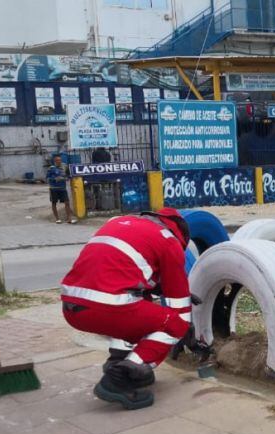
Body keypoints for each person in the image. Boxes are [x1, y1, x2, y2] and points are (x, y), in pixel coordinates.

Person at [60, 208, 192, 409]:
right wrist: (184, 327)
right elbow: (180, 309)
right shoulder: (169, 241)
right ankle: (119, 379)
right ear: (181, 234)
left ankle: (119, 361)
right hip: (106, 308)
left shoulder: (118, 223)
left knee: (139, 308)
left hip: (72, 307)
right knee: (176, 322)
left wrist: (160, 288)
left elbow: (120, 272)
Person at [47, 155, 76, 224]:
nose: (59, 161)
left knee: (67, 202)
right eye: (57, 160)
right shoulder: (51, 168)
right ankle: (57, 219)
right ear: (54, 161)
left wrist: (66, 178)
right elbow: (47, 178)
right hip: (53, 189)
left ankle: (69, 219)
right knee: (54, 203)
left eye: (60, 160)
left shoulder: (64, 167)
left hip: (63, 188)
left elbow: (69, 176)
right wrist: (54, 179)